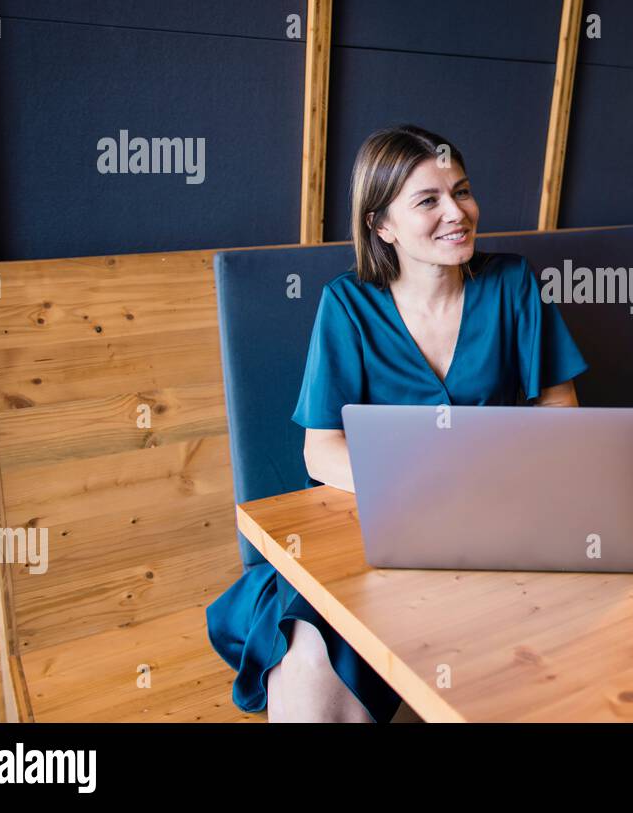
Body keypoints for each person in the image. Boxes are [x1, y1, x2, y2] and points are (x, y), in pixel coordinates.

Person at [207, 124, 587, 722]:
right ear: (381, 225)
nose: (457, 213)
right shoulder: (347, 304)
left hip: (498, 521)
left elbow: (561, 412)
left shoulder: (513, 281)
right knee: (310, 656)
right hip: (372, 526)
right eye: (428, 201)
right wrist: (423, 488)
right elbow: (320, 451)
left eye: (461, 191)